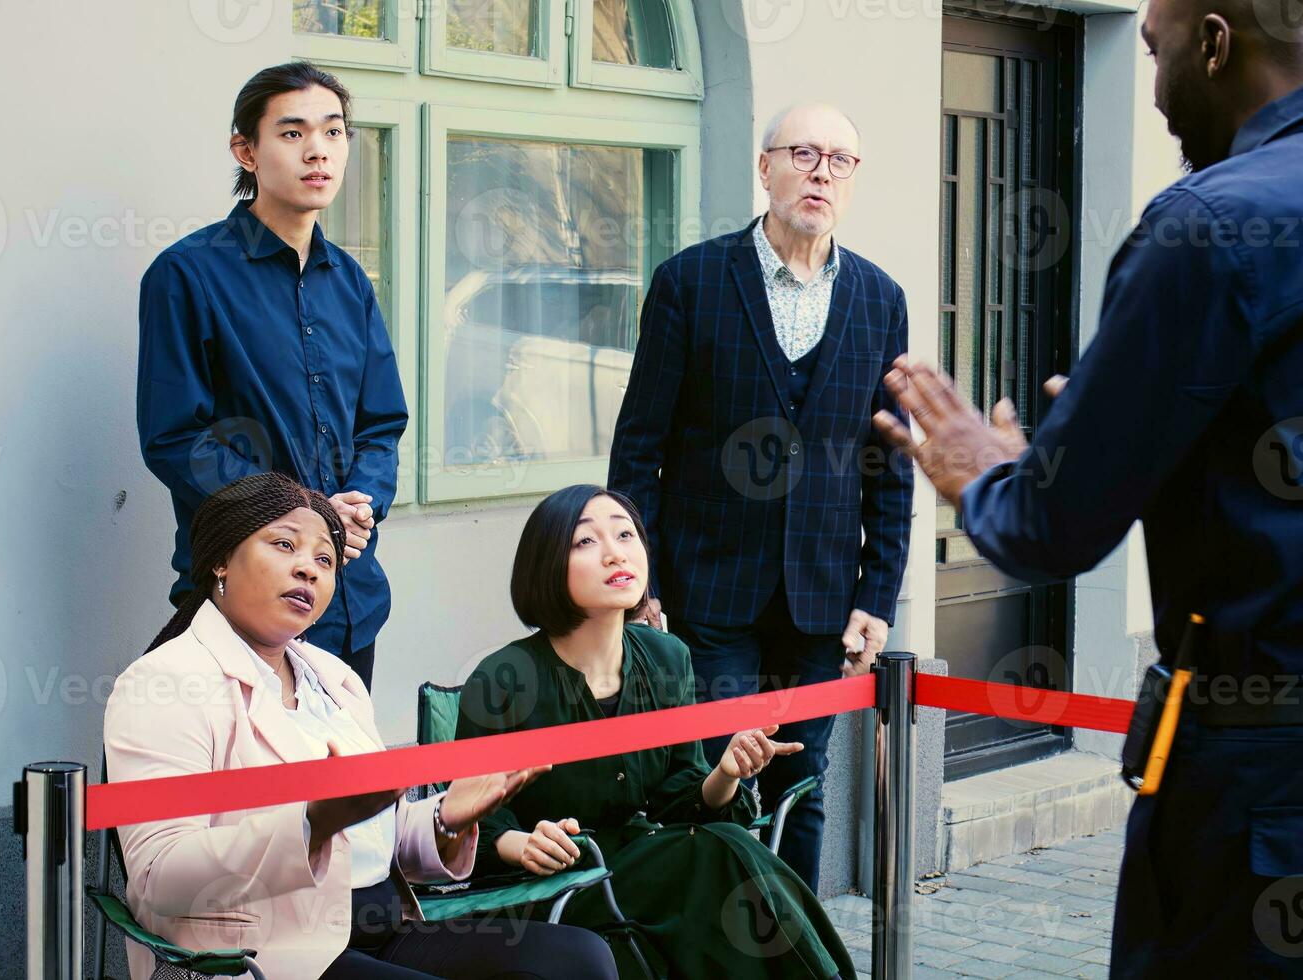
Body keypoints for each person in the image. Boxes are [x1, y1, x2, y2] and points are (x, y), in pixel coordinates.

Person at [871, 0, 1303, 973]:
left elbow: (1052, 525)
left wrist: (987, 468)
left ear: (1213, 42)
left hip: (1274, 788)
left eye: (1154, 49)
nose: (1158, 91)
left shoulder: (1210, 222)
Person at [105, 472, 617, 980]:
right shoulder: (163, 684)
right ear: (221, 559)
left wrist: (443, 820)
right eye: (284, 545)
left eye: (325, 559)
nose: (307, 569)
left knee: (579, 960)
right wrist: (310, 823)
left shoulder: (334, 678)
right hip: (267, 952)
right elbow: (159, 879)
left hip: (378, 927)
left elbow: (374, 836)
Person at [606, 102, 914, 891]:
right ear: (765, 166)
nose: (821, 172)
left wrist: (876, 594)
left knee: (801, 792)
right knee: (720, 785)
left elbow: (889, 466)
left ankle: (794, 955)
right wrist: (640, 585)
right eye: (804, 153)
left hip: (820, 603)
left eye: (839, 160)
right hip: (708, 594)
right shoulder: (691, 282)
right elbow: (641, 447)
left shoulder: (880, 299)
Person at [454, 484, 857, 980]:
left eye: (625, 534)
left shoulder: (668, 657)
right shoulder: (503, 676)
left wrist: (726, 774)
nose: (615, 552)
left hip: (648, 866)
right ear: (547, 563)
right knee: (718, 856)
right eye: (586, 542)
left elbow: (679, 795)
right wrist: (518, 842)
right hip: (551, 889)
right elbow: (463, 819)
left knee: (721, 849)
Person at [138, 61, 406, 688]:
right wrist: (302, 514)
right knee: (246, 784)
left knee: (339, 783)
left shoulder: (351, 283)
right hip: (241, 599)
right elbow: (177, 439)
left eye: (335, 132)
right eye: (292, 133)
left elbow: (382, 423)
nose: (319, 151)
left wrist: (357, 509)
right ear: (246, 150)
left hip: (347, 600)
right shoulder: (188, 274)